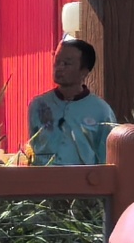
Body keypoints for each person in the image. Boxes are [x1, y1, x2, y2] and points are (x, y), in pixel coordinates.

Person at [27, 38, 116, 166]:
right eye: (57, 61)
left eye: (66, 63)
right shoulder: (38, 105)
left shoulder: (101, 111)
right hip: (44, 180)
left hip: (84, 181)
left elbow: (106, 157)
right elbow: (33, 146)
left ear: (84, 72)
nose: (59, 67)